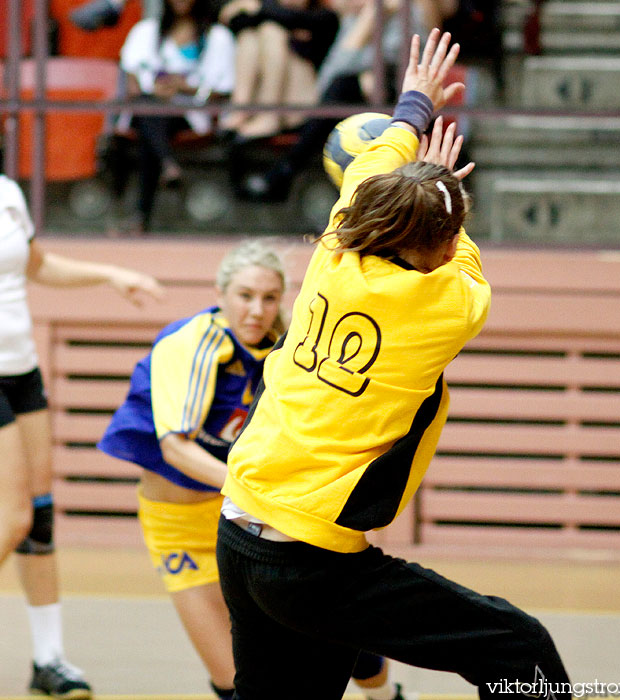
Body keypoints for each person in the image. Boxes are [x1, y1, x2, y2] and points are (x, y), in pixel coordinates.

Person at [216, 29, 572, 700]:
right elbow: (453, 250)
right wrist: (438, 192)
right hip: (309, 560)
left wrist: (416, 102)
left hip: (239, 531)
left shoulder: (335, 246)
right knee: (520, 650)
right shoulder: (446, 306)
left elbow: (380, 164)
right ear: (437, 244)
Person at [96, 240, 405, 700]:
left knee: (333, 617)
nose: (256, 310)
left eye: (268, 297)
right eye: (244, 295)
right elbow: (176, 449)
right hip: (184, 528)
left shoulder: (293, 350)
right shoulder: (191, 343)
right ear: (221, 294)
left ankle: (387, 697)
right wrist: (257, 493)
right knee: (235, 678)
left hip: (249, 516)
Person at [0, 174, 163, 698]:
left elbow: (35, 265)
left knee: (38, 517)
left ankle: (49, 661)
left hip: (19, 368)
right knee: (13, 516)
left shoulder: (7, 192)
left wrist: (110, 274)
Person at [240, 0, 430, 201]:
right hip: (348, 108)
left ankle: (285, 172)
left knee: (347, 87)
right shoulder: (354, 20)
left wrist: (369, 71)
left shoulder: (408, 20)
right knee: (343, 87)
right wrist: (365, 26)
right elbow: (330, 78)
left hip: (400, 109)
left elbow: (409, 76)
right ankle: (287, 174)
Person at [113, 0, 235, 233]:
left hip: (190, 116)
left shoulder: (217, 36)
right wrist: (156, 90)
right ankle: (167, 164)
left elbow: (224, 89)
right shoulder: (146, 31)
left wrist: (182, 87)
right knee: (150, 109)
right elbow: (131, 83)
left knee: (150, 124)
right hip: (149, 109)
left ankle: (143, 214)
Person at [218, 0, 339, 140]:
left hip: (303, 102)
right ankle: (241, 109)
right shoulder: (268, 13)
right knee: (249, 37)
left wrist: (258, 7)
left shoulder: (324, 16)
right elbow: (238, 21)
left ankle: (269, 115)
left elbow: (292, 18)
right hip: (262, 100)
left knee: (271, 31)